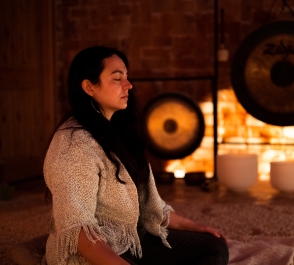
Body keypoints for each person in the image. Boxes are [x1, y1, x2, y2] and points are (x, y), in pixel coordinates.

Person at [42, 45, 229, 265]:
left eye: (127, 77)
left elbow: (153, 208)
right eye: (117, 78)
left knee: (214, 246)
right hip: (93, 253)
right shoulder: (74, 144)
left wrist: (196, 227)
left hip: (132, 240)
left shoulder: (120, 132)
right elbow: (79, 232)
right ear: (89, 87)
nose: (128, 85)